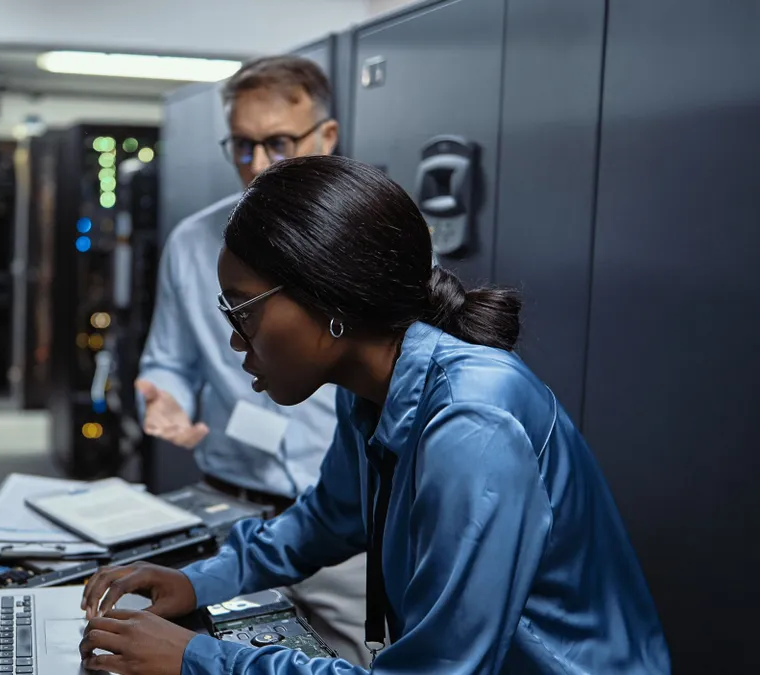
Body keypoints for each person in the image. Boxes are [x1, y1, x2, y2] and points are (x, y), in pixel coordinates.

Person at [79, 156, 672, 675]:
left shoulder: (474, 421)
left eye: (243, 311)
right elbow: (325, 521)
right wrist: (198, 580)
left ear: (329, 302)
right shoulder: (369, 387)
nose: (235, 341)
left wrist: (198, 659)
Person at [133, 55, 371, 664]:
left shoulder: (370, 240)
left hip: (342, 529)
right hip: (233, 512)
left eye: (277, 144)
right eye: (242, 146)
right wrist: (165, 400)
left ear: (327, 137)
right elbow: (169, 362)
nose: (258, 166)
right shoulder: (193, 242)